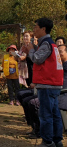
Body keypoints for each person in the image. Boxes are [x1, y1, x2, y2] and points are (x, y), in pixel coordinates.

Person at [26, 18, 63, 147]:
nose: (34, 29)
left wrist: (31, 49)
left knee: (46, 115)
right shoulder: (52, 44)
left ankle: (47, 141)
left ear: (43, 29)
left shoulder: (46, 43)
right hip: (54, 84)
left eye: (36, 27)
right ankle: (57, 140)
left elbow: (37, 59)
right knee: (55, 114)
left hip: (47, 84)